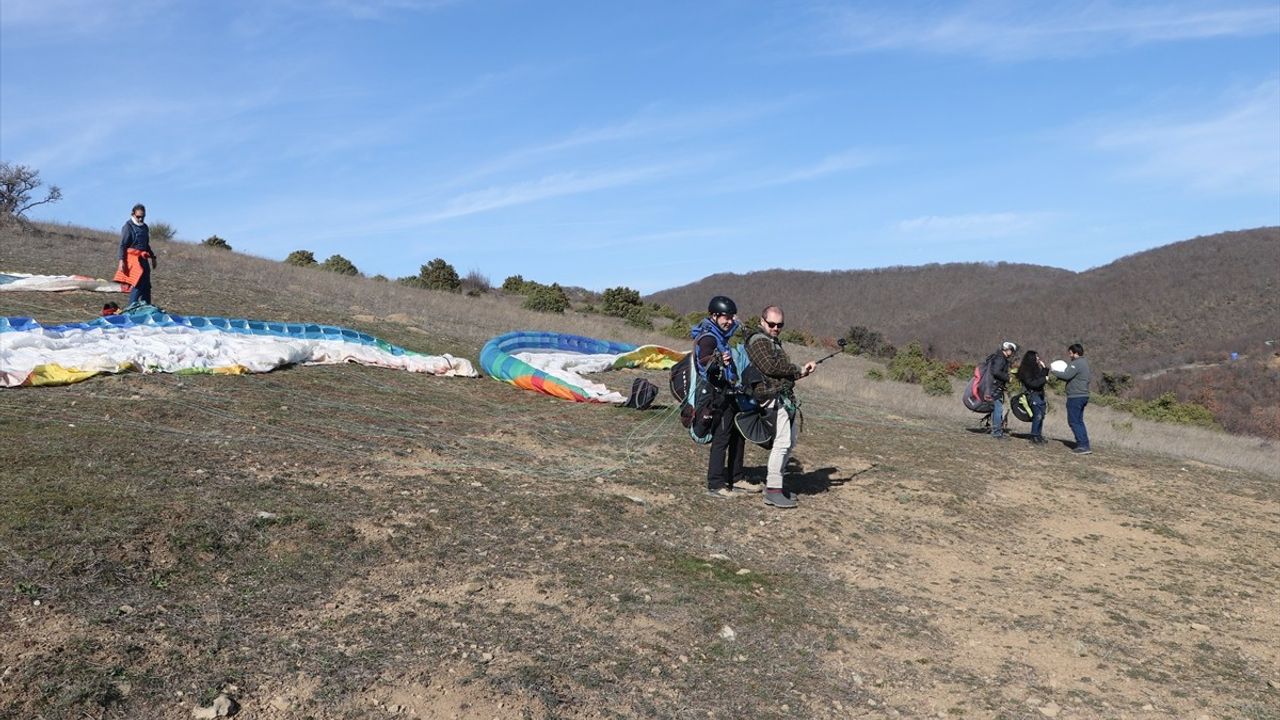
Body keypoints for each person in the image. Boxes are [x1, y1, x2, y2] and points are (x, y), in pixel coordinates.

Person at [744, 305, 816, 509]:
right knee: (782, 443)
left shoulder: (773, 342)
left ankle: (777, 485)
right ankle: (773, 490)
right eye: (772, 324)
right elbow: (770, 367)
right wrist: (797, 368)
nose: (776, 328)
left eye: (780, 325)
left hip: (783, 396)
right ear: (762, 321)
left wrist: (801, 372)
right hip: (771, 397)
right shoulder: (759, 341)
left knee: (790, 441)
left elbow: (780, 373)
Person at [692, 296, 751, 498]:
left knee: (738, 434)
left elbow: (732, 328)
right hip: (716, 395)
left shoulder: (721, 333)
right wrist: (717, 359)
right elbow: (703, 359)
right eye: (726, 317)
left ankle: (737, 477)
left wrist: (739, 324)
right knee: (722, 437)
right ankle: (715, 483)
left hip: (729, 391)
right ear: (714, 316)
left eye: (732, 317)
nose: (729, 321)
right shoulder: (708, 337)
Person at [1051, 343, 1092, 454]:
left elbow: (1066, 375)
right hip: (1083, 395)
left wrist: (1054, 372)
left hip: (1076, 396)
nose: (1069, 356)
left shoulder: (1077, 363)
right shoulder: (1084, 363)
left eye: (1070, 353)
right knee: (1079, 421)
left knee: (1074, 421)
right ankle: (1085, 444)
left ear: (1076, 353)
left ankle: (1082, 446)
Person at [115, 203, 156, 305]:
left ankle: (146, 308)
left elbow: (146, 245)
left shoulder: (145, 227)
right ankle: (131, 308)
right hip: (133, 260)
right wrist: (121, 261)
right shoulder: (128, 227)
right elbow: (123, 245)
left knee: (147, 286)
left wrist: (153, 257)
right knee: (138, 284)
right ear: (133, 214)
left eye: (143, 217)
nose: (141, 219)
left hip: (144, 259)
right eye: (138, 217)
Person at [985, 341, 1017, 439]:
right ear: (1007, 349)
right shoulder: (1000, 359)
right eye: (1012, 350)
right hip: (995, 387)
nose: (1012, 353)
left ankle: (997, 430)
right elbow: (996, 372)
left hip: (995, 386)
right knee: (998, 409)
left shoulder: (999, 357)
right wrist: (1007, 378)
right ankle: (997, 432)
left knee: (997, 409)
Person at [1018, 350, 1049, 445]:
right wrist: (1044, 379)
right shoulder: (1026, 370)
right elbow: (1032, 383)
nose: (1038, 358)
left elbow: (1040, 378)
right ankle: (1034, 436)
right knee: (1037, 415)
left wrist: (1044, 369)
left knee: (1041, 415)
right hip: (1033, 394)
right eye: (1036, 357)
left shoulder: (1035, 368)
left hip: (1039, 394)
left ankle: (1038, 435)